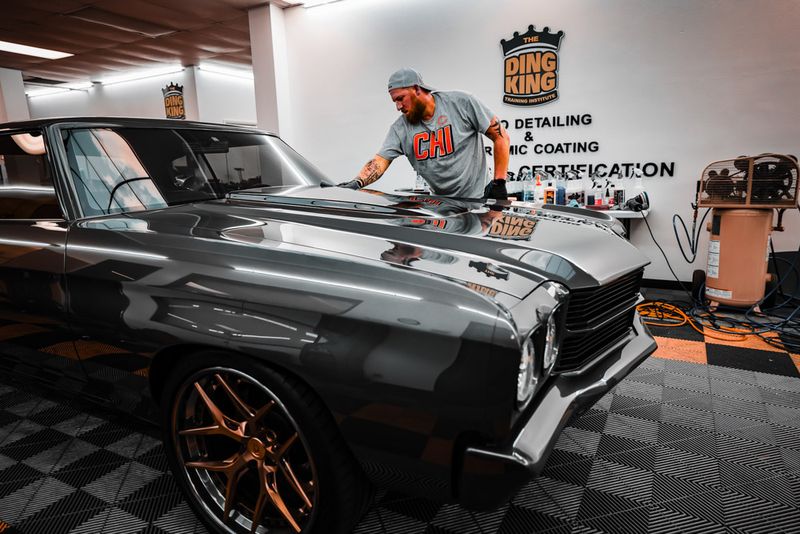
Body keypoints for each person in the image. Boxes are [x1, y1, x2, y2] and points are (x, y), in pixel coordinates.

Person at [338, 67, 510, 199]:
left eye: (400, 98)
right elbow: (380, 161)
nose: (398, 106)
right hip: (443, 204)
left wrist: (499, 183)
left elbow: (501, 137)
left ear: (417, 89)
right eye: (394, 101)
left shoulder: (461, 103)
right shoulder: (401, 129)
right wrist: (357, 182)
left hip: (480, 196)